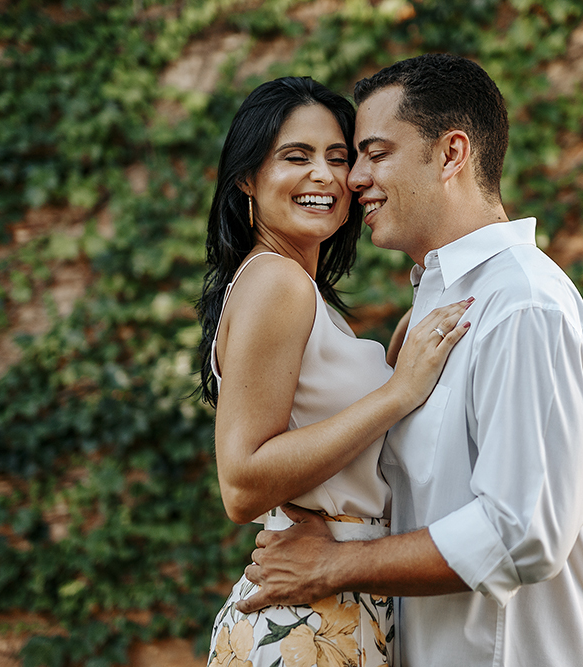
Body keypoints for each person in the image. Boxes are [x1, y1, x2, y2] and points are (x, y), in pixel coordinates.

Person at [237, 54, 583, 666]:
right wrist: (323, 526)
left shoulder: (523, 307)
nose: (352, 178)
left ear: (451, 154)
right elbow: (431, 497)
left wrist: (337, 565)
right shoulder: (439, 304)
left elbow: (520, 533)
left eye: (375, 153)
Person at [195, 76, 472, 667]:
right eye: (296, 157)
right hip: (304, 624)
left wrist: (388, 363)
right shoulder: (276, 283)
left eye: (338, 157)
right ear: (247, 177)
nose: (324, 175)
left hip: (336, 605)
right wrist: (396, 392)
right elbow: (242, 483)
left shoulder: (295, 289)